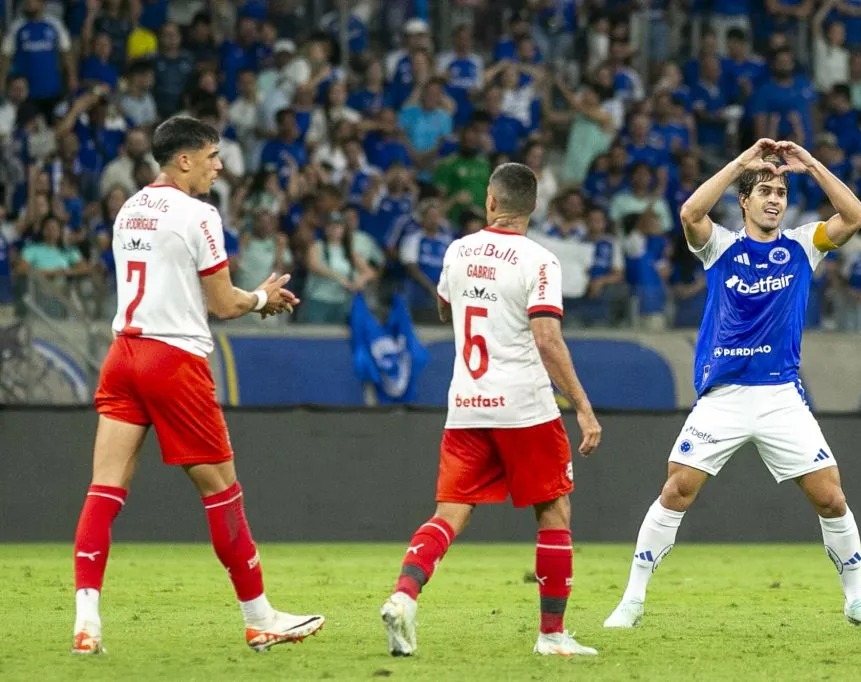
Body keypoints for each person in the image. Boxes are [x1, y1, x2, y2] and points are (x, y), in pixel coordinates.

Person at [603, 139, 861, 631]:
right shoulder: (719, 246)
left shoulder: (803, 245)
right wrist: (740, 163)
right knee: (677, 490)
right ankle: (632, 600)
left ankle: (857, 601)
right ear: (744, 201)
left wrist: (812, 165)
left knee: (831, 498)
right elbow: (690, 212)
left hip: (781, 396)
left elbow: (856, 216)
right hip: (724, 397)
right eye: (764, 191)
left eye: (781, 192)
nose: (774, 199)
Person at [70, 117, 324, 655]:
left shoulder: (129, 208)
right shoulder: (198, 214)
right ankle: (260, 618)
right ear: (183, 160)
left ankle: (86, 622)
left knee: (104, 489)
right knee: (222, 491)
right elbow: (224, 304)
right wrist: (262, 298)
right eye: (211, 155)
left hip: (123, 355)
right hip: (172, 360)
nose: (219, 166)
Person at [380, 163, 603, 657]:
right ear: (533, 206)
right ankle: (552, 635)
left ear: (490, 201)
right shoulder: (539, 260)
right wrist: (583, 407)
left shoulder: (457, 250)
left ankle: (404, 596)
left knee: (449, 514)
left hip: (467, 404)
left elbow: (445, 307)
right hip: (525, 408)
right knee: (554, 511)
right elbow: (546, 338)